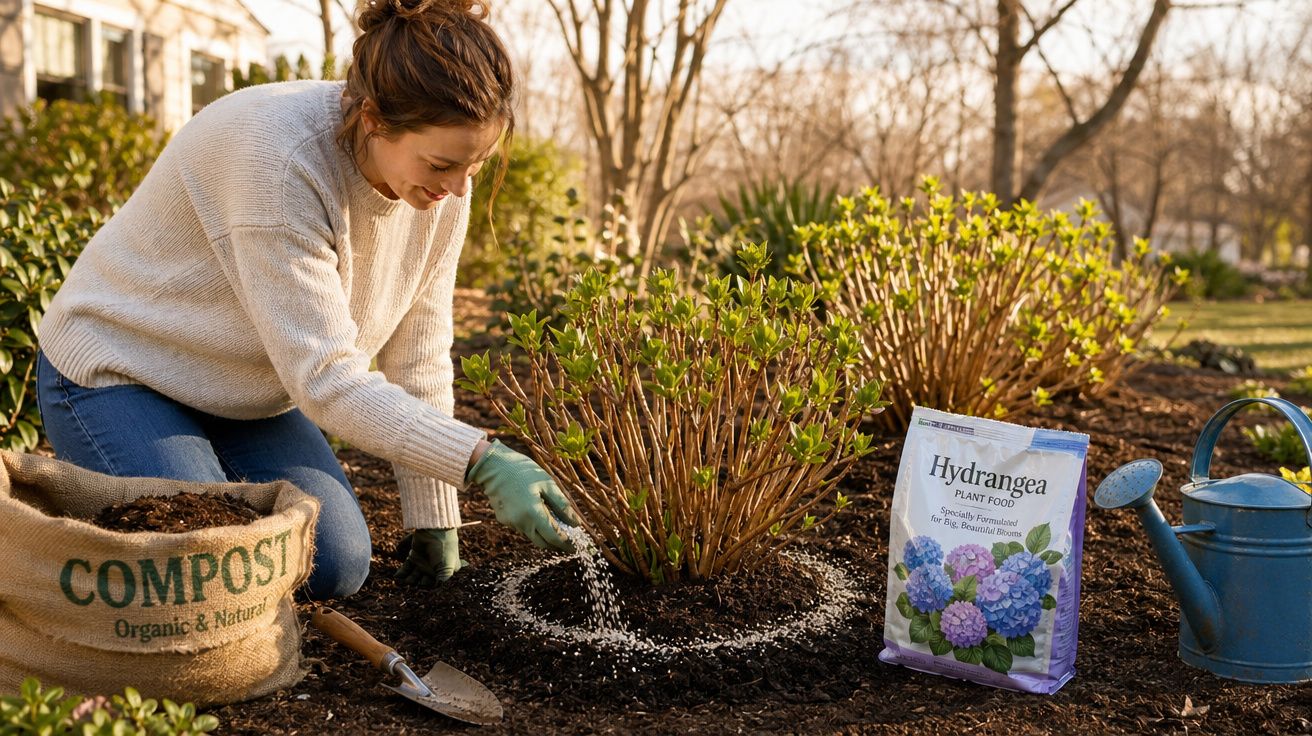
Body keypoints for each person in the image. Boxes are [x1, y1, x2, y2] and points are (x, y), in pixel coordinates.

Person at [35, 0, 579, 600]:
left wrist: (435, 518)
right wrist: (479, 458)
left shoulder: (439, 188)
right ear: (373, 119)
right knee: (210, 563)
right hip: (120, 370)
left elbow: (419, 352)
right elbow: (326, 379)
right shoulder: (281, 161)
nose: (456, 189)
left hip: (245, 392)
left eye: (474, 165)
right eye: (444, 164)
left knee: (335, 563)